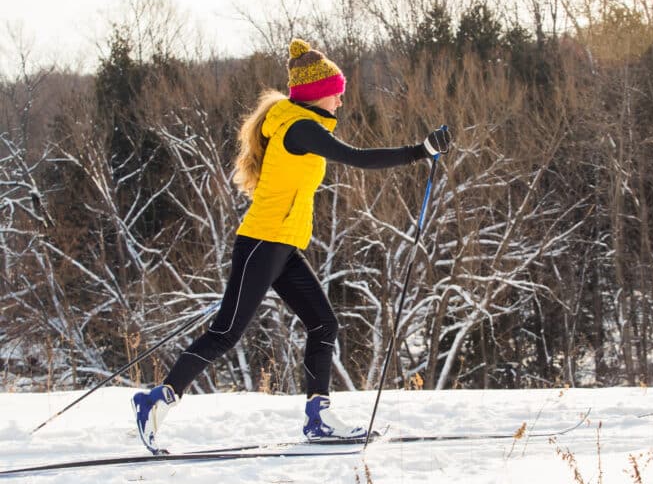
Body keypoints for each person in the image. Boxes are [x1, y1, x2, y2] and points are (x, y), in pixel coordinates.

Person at [132, 38, 452, 453]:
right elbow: (356, 158)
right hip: (262, 243)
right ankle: (157, 401)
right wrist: (419, 151)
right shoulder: (301, 128)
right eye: (337, 90)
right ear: (319, 93)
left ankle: (318, 418)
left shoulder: (298, 124)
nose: (341, 99)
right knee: (226, 333)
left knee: (324, 323)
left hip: (282, 247)